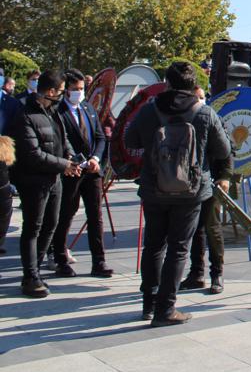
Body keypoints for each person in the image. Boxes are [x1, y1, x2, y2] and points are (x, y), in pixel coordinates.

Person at [126, 62, 232, 326]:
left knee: (153, 246)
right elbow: (223, 150)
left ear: (167, 82)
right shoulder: (204, 112)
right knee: (178, 248)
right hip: (190, 191)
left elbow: (130, 141)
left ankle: (148, 304)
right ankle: (166, 309)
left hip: (153, 188)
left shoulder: (149, 110)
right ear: (193, 84)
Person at [10, 69, 81, 297]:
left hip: (54, 179)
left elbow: (64, 138)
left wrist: (70, 158)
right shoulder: (25, 115)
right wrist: (63, 164)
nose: (64, 95)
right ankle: (30, 276)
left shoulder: (53, 112)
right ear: (50, 91)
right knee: (33, 228)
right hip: (33, 181)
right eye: (61, 92)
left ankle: (36, 270)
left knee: (51, 225)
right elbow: (32, 154)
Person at [52, 69, 111, 278]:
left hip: (92, 171)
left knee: (95, 215)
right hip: (71, 170)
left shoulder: (88, 108)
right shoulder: (57, 111)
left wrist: (95, 158)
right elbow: (61, 140)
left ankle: (99, 261)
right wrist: (79, 161)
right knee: (65, 214)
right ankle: (60, 258)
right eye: (75, 89)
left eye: (81, 89)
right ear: (66, 90)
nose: (79, 92)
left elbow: (100, 136)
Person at [180, 86, 233, 294]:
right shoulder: (184, 119)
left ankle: (217, 273)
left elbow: (228, 150)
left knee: (212, 227)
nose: (201, 101)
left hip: (212, 181)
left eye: (203, 97)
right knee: (195, 229)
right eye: (197, 98)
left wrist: (225, 177)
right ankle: (196, 273)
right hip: (190, 183)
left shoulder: (213, 117)